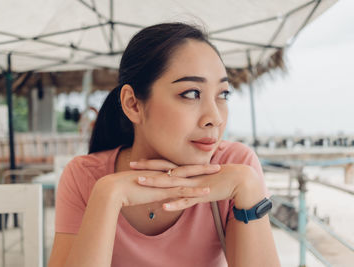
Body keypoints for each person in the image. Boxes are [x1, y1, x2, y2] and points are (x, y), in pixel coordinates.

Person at [48, 22, 280, 267]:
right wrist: (107, 197)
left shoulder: (236, 167)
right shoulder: (85, 177)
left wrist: (248, 186)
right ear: (133, 105)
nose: (215, 118)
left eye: (222, 95)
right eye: (191, 93)